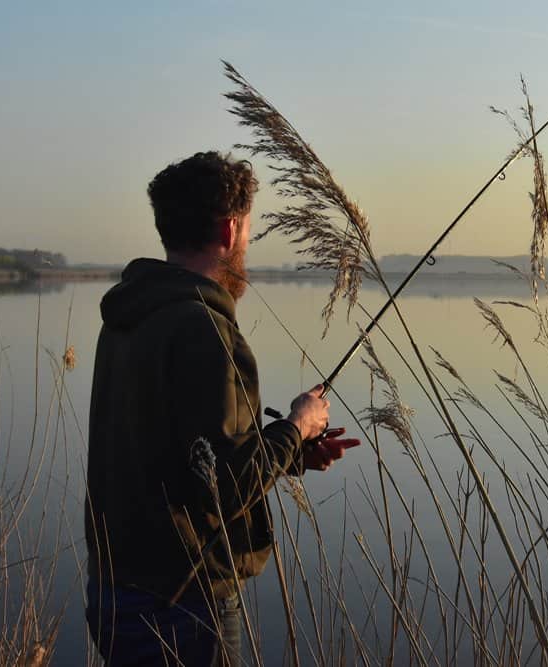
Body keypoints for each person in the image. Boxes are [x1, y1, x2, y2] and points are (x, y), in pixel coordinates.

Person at [85, 151, 359, 665]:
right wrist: (298, 426)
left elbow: (181, 457)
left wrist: (293, 454)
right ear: (231, 230)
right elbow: (226, 485)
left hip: (115, 590)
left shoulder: (127, 316)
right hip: (180, 605)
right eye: (249, 230)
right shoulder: (202, 329)